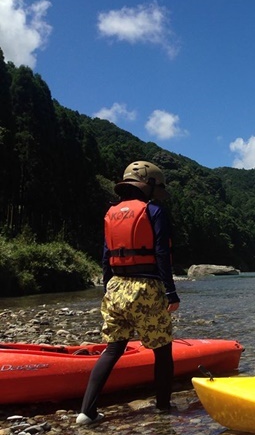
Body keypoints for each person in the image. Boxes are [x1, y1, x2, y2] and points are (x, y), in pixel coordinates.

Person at [77, 161, 180, 425]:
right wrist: (171, 292)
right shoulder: (154, 210)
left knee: (113, 348)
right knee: (162, 349)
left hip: (116, 287)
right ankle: (164, 409)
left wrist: (107, 289)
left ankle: (86, 412)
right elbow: (161, 254)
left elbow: (106, 256)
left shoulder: (111, 213)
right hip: (145, 287)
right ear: (150, 185)